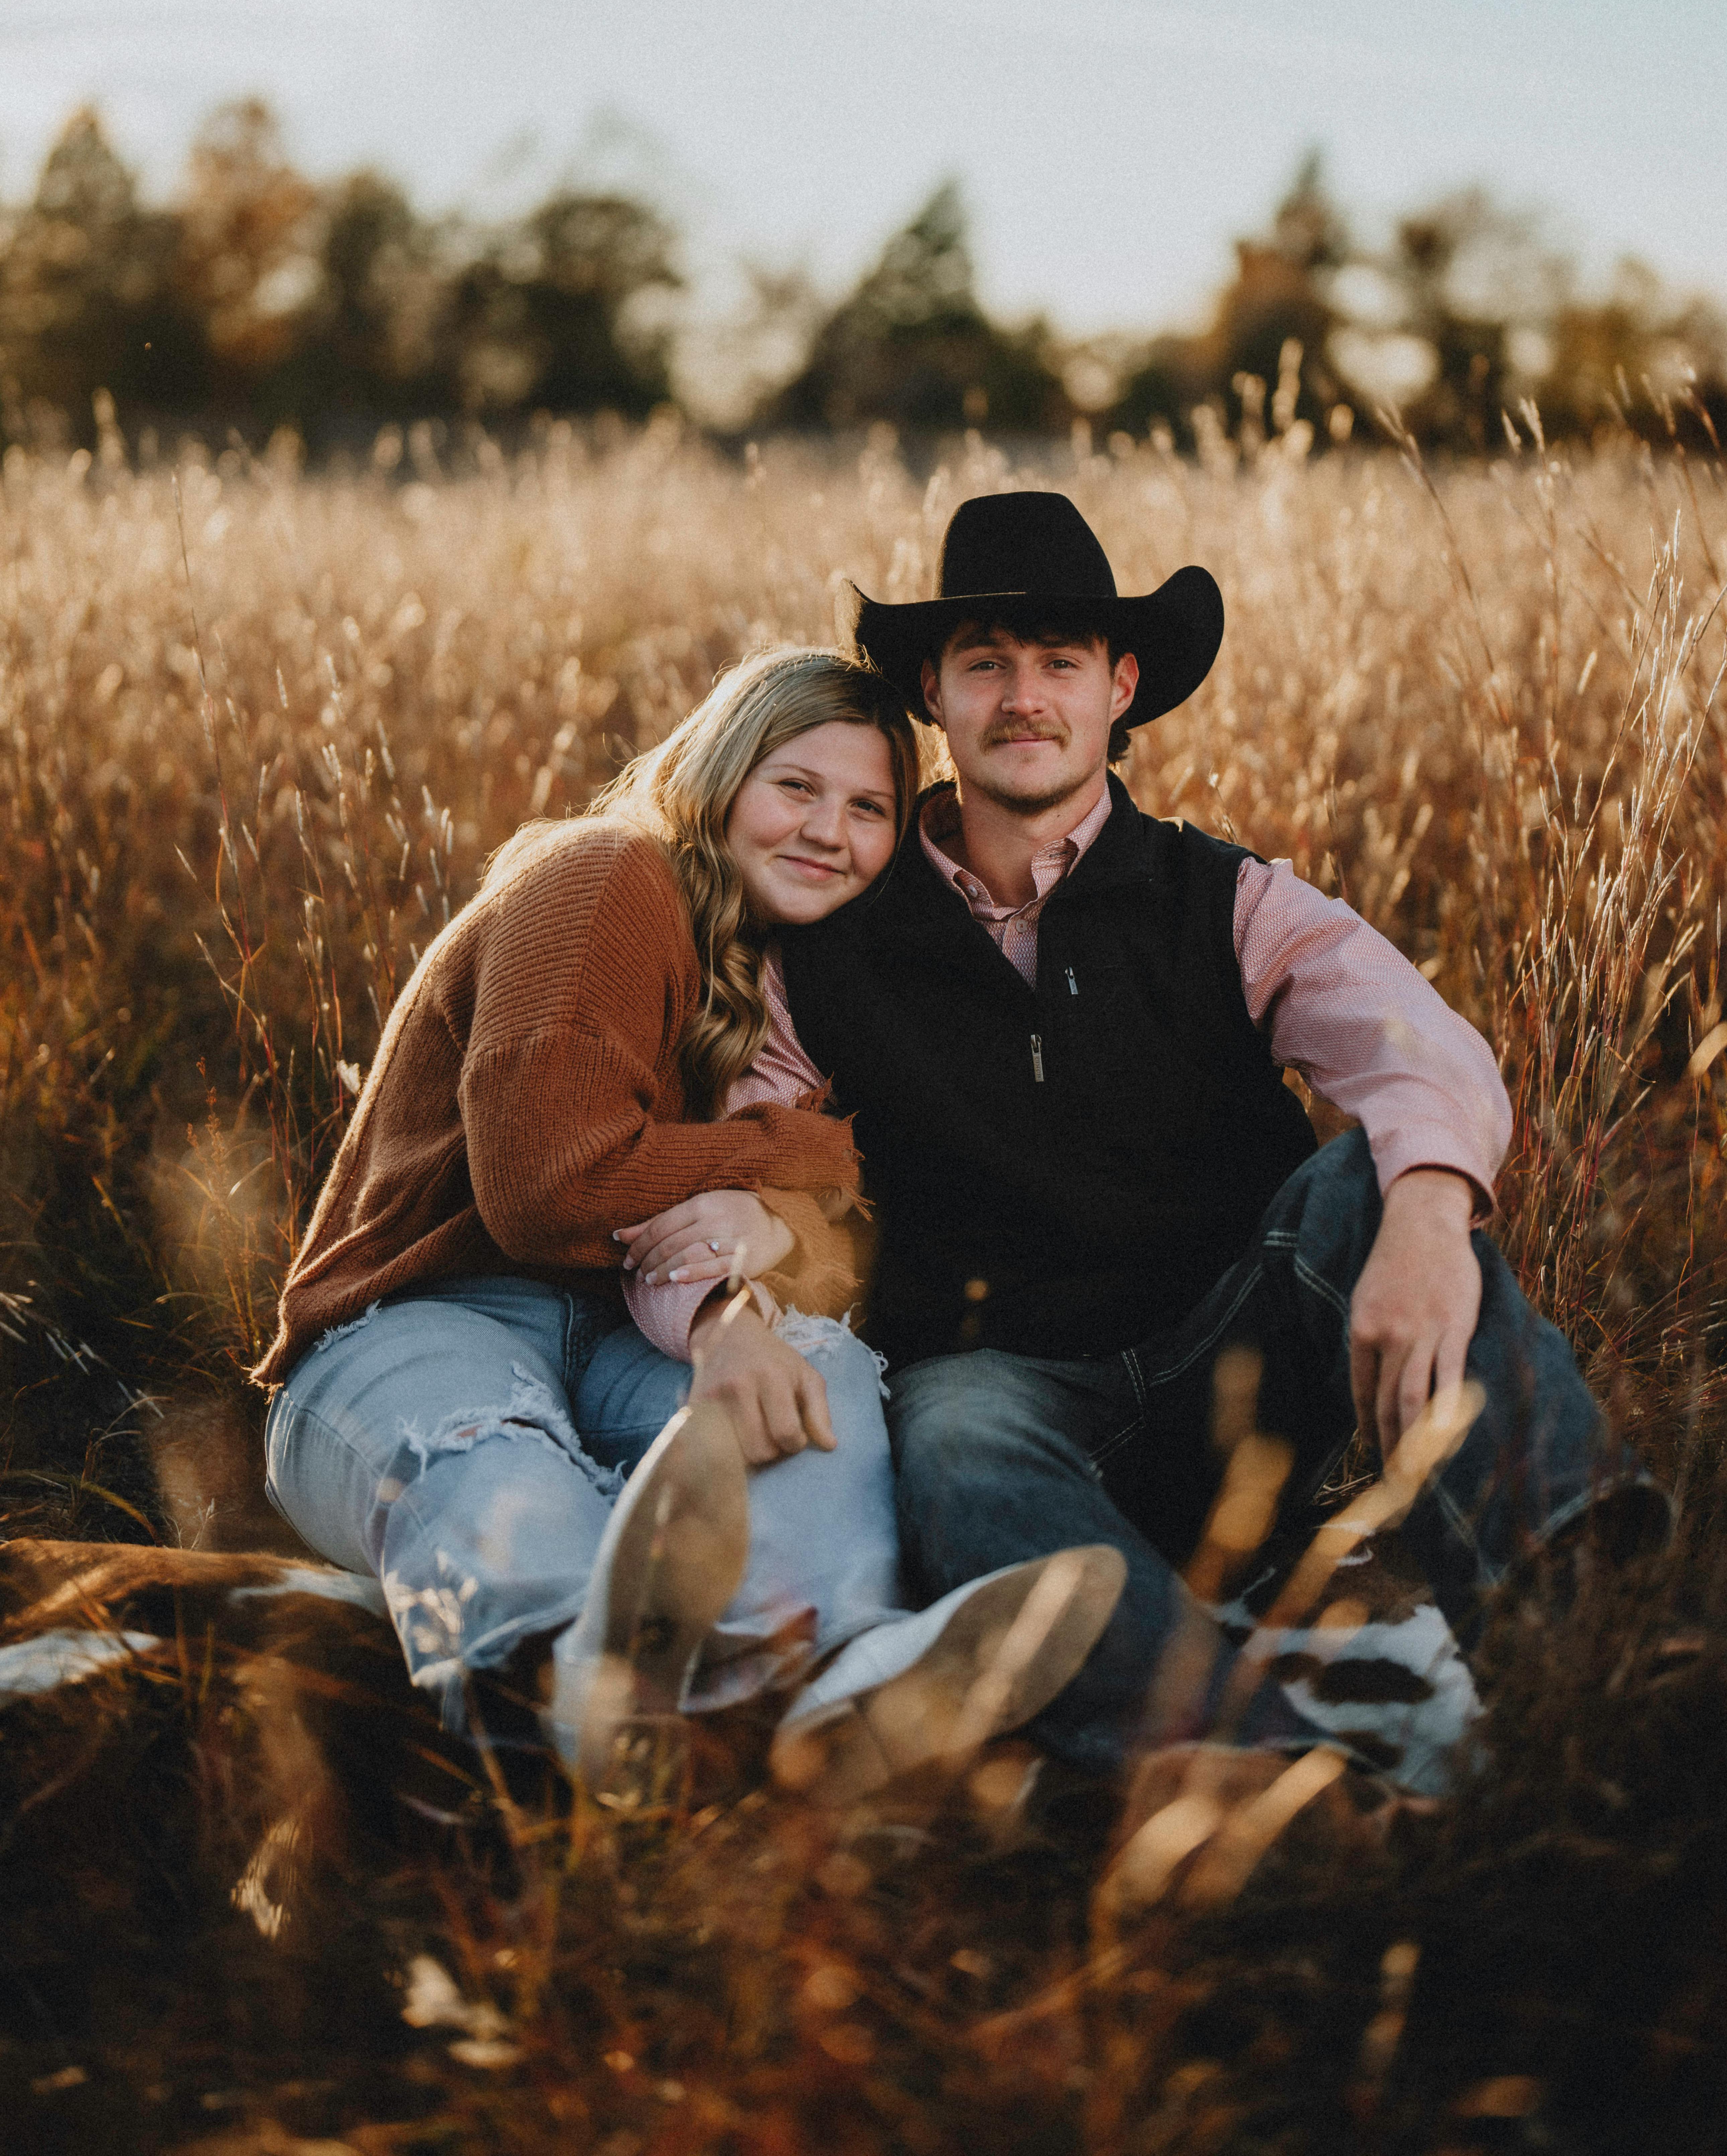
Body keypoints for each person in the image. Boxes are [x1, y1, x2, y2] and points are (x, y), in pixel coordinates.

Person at [767, 493, 1666, 1776]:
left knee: (1374, 1179)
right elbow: (751, 1151)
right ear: (934, 692)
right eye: (987, 664)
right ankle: (1251, 1769)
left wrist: (1423, 1220)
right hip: (1010, 1401)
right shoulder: (838, 948)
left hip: (1236, 1374)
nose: (1026, 697)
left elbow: (1419, 1047)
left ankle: (1587, 1631)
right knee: (947, 1430)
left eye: (1062, 663)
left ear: (1120, 687)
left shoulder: (1223, 897)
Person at [255, 645, 1123, 1801]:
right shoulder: (605, 878)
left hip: (627, 1333)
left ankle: (831, 1670)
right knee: (498, 1455)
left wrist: (747, 1293)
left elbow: (819, 1240)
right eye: (796, 788)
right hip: (422, 1320)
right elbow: (551, 1186)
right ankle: (571, 1680)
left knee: (815, 1374)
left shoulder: (780, 972)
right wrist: (801, 1155)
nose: (830, 831)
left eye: (868, 809)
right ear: (719, 777)